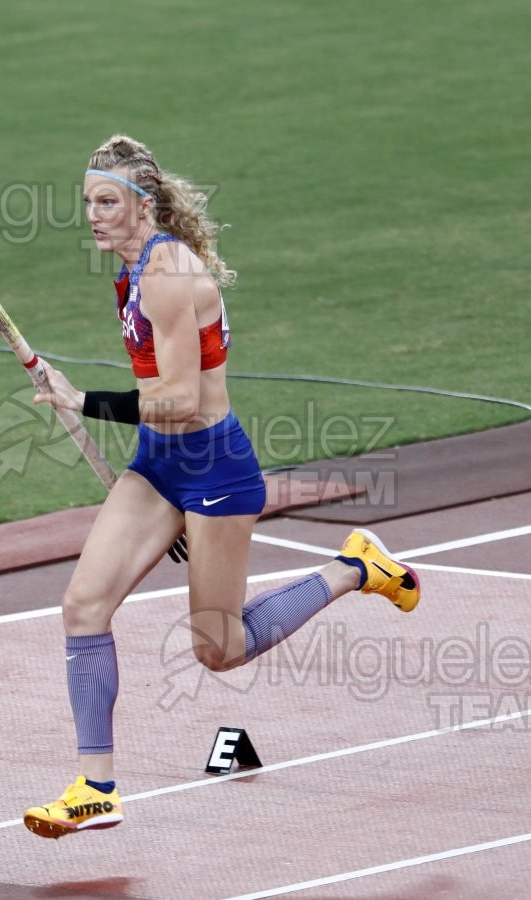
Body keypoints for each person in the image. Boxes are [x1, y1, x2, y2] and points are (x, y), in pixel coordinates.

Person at [23, 135, 420, 839]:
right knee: (83, 606)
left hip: (213, 469)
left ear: (143, 205)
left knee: (220, 649)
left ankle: (356, 567)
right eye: (87, 201)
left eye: (107, 202)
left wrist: (81, 400)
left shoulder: (167, 276)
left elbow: (179, 400)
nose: (92, 215)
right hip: (159, 464)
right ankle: (96, 789)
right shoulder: (133, 270)